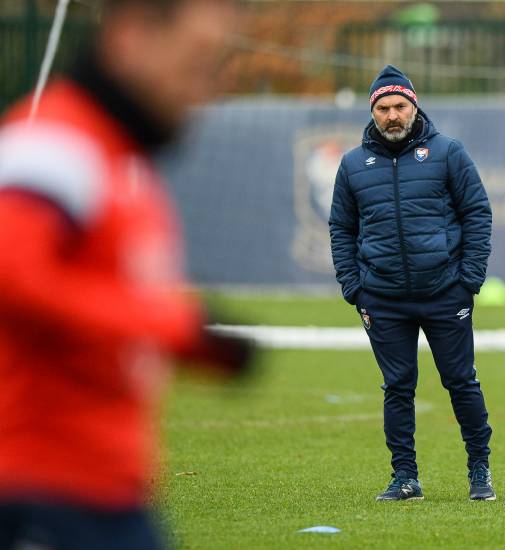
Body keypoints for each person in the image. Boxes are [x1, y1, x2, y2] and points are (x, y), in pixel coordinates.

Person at [0, 0, 252, 548]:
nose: (203, 91)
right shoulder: (56, 142)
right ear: (131, 35)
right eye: (197, 62)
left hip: (107, 493)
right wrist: (176, 326)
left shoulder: (119, 161)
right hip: (39, 493)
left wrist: (197, 346)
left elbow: (90, 304)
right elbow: (11, 273)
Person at [329, 65, 496, 501]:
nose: (392, 115)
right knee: (398, 387)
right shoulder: (352, 165)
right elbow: (341, 229)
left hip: (445, 293)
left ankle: (480, 471)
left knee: (461, 381)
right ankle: (405, 477)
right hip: (382, 299)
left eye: (399, 105)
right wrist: (354, 287)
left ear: (414, 105)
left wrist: (469, 280)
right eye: (383, 108)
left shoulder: (448, 153)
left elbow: (477, 213)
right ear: (373, 113)